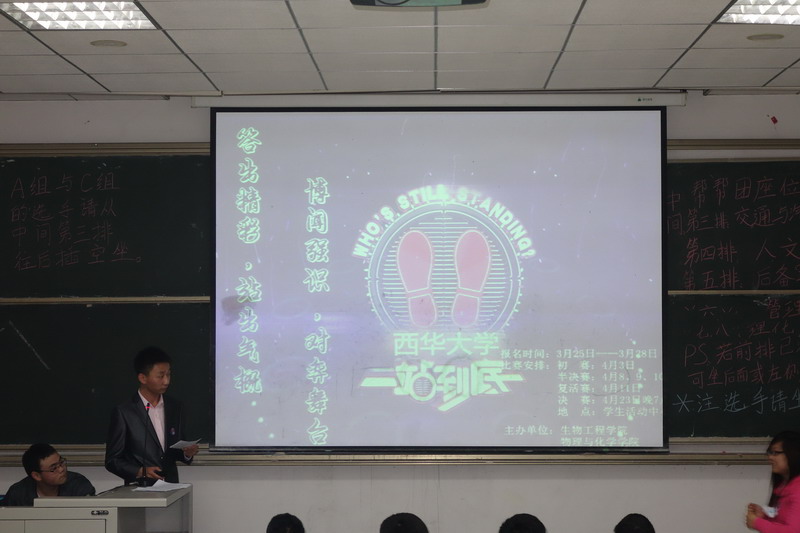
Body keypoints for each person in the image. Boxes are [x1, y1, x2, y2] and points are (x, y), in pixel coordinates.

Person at [105, 346, 198, 484]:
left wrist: (186, 453)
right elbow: (112, 461)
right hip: (139, 488)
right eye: (160, 376)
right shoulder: (124, 412)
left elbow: (172, 450)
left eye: (168, 374)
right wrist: (140, 471)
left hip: (171, 487)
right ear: (143, 378)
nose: (166, 381)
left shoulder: (175, 407)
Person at [1, 443, 95, 506]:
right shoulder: (18, 494)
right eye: (54, 468)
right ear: (37, 476)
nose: (61, 469)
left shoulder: (79, 486)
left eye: (61, 462)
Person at [746, 430, 800, 532]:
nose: (770, 457)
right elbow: (783, 521)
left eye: (776, 453)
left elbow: (793, 530)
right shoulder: (784, 486)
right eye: (770, 453)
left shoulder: (798, 490)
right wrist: (764, 516)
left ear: (793, 454)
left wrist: (757, 523)